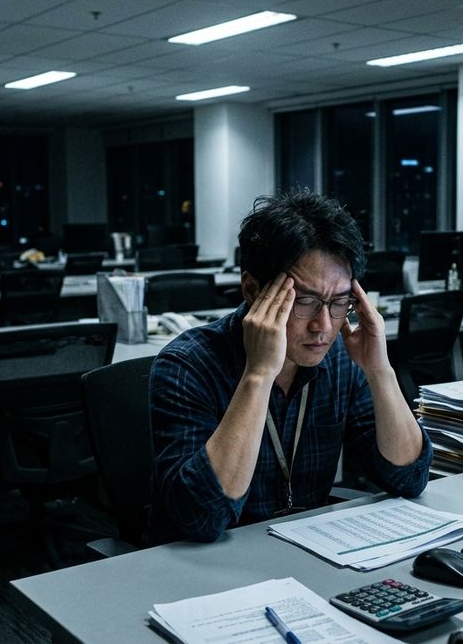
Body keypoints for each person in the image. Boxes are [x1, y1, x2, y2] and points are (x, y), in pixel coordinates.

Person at [146, 190, 433, 544]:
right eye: (305, 301)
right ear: (252, 289)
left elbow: (408, 479)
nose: (324, 326)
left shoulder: (341, 358)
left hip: (304, 553)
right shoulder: (188, 364)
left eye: (340, 302)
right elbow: (202, 519)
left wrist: (379, 371)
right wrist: (258, 375)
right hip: (206, 570)